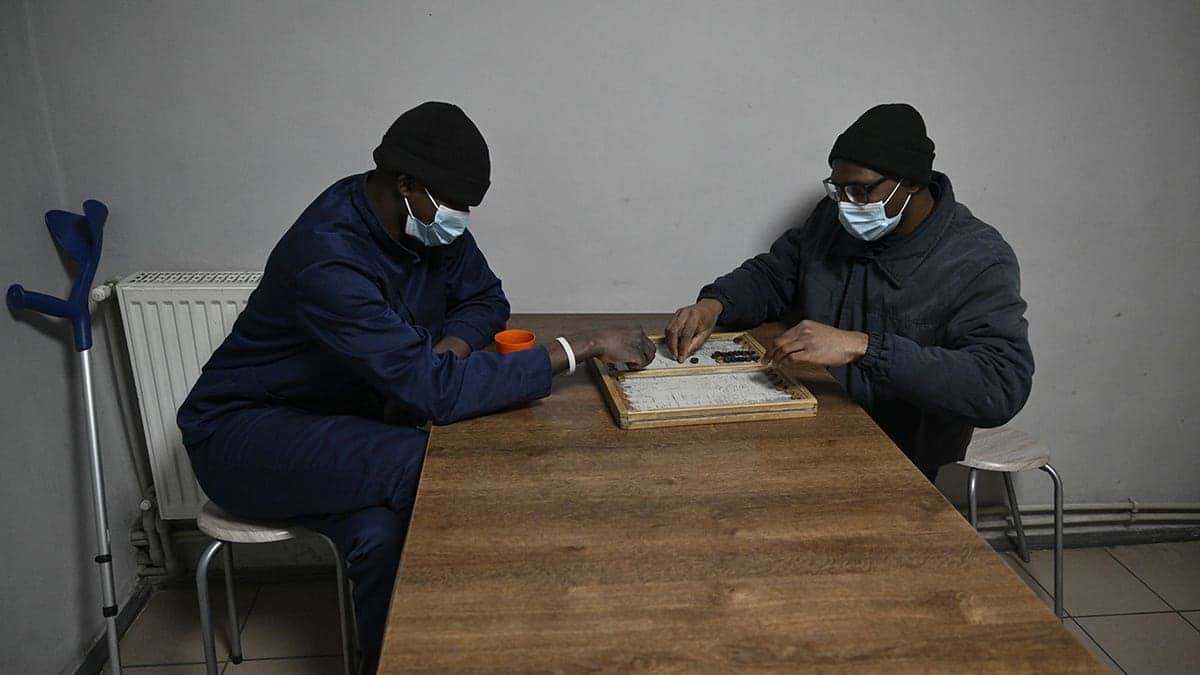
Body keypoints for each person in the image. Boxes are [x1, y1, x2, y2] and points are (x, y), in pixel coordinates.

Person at [177, 101, 655, 674]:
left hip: (349, 423)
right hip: (248, 434)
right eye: (454, 207)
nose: (459, 221)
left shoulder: (427, 227)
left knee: (383, 537)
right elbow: (436, 395)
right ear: (406, 184)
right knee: (432, 468)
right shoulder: (328, 258)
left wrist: (448, 349)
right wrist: (578, 347)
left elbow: (485, 301)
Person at [665, 103, 1034, 482]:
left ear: (910, 182)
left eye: (860, 190)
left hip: (900, 458)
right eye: (838, 189)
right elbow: (775, 275)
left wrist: (864, 347)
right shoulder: (834, 220)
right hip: (808, 423)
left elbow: (1000, 385)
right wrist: (716, 304)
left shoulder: (977, 258)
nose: (845, 205)